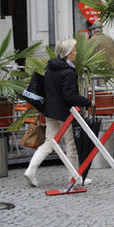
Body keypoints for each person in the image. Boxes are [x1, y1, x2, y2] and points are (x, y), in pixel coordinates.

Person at [24, 38, 93, 187]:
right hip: (64, 113)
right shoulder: (68, 71)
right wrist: (88, 102)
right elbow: (69, 96)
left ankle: (31, 170)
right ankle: (74, 178)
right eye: (74, 50)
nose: (76, 52)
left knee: (50, 141)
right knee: (71, 144)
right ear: (68, 53)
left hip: (50, 111)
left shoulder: (50, 68)